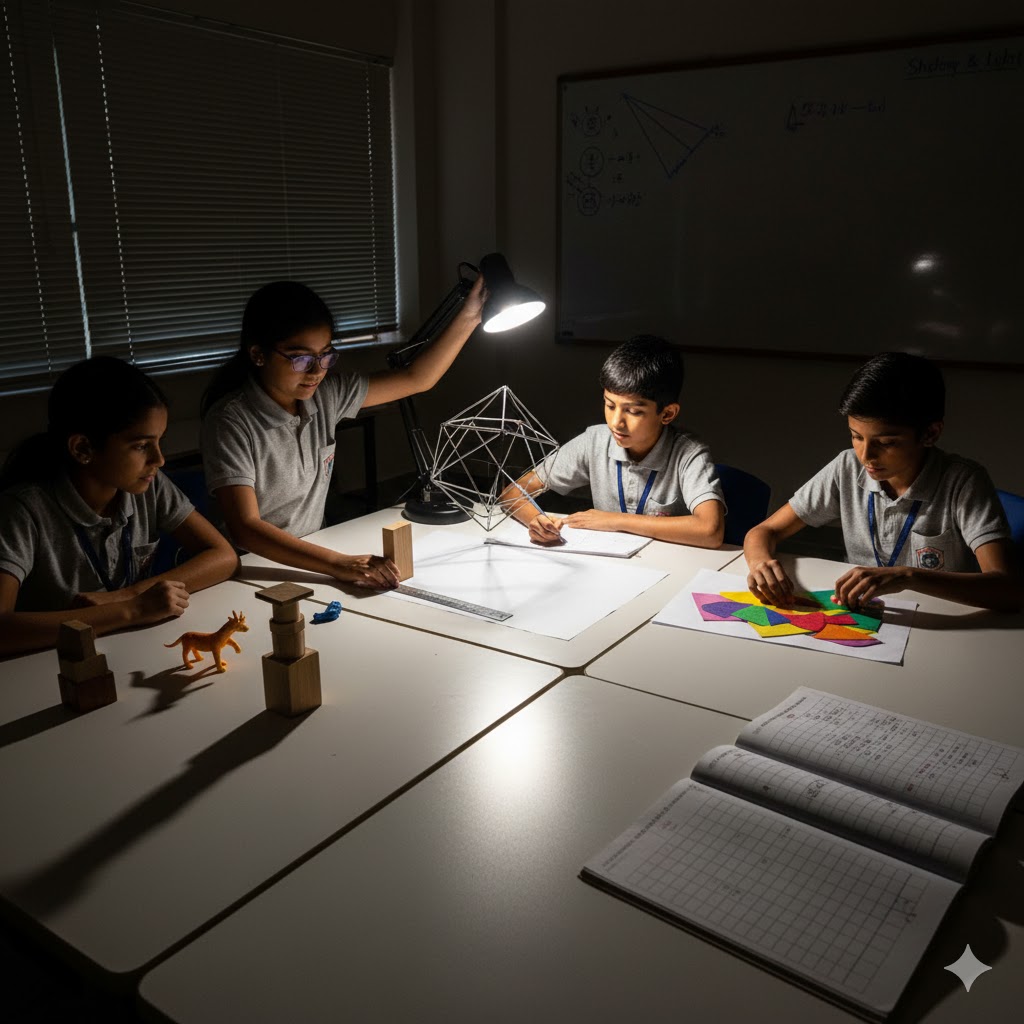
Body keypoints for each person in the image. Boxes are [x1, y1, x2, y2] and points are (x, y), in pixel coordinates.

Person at [200, 277, 485, 588]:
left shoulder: (326, 395)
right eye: (301, 359)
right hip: (253, 567)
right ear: (258, 354)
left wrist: (471, 315)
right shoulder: (230, 421)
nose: (317, 371)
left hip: (315, 555)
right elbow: (245, 528)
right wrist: (338, 563)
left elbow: (417, 378)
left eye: (325, 355)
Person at [743, 351, 1020, 612]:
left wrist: (907, 577)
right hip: (863, 616)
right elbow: (764, 531)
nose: (866, 455)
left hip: (939, 619)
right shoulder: (847, 466)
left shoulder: (963, 482)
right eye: (856, 436)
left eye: (886, 442)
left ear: (931, 434)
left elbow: (1008, 588)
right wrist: (760, 562)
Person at [0, 358, 238, 657]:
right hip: (48, 666)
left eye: (159, 441)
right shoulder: (22, 511)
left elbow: (224, 556)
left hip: (126, 649)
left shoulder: (147, 485)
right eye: (141, 446)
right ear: (83, 449)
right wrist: (131, 610)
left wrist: (128, 595)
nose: (159, 459)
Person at [503, 335, 725, 547]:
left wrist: (614, 520)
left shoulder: (689, 453)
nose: (616, 422)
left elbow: (710, 530)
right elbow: (511, 493)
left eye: (633, 411)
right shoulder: (596, 440)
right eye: (610, 405)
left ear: (667, 414)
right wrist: (536, 521)